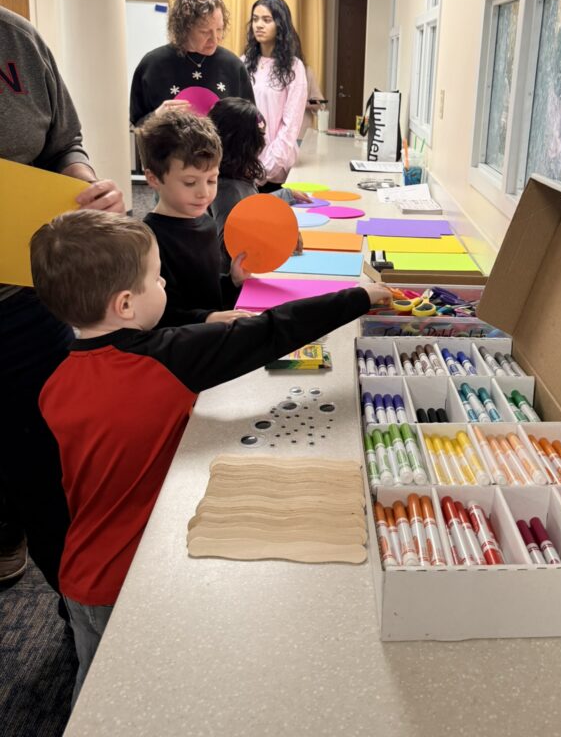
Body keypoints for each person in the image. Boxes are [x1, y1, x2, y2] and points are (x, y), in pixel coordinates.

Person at [30, 210, 390, 701]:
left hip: (79, 573)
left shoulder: (54, 383)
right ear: (126, 303)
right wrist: (361, 296)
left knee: (93, 694)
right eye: (157, 277)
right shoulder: (165, 361)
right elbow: (270, 331)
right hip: (132, 577)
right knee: (142, 695)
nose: (164, 284)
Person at [0, 0, 125, 594]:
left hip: (25, 305)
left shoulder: (20, 42)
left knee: (49, 470)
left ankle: (74, 607)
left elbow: (64, 140)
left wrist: (81, 179)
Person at [136, 108, 251, 327]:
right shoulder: (147, 241)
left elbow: (207, 292)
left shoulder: (207, 223)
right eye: (190, 182)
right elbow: (158, 317)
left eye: (212, 180)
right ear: (154, 178)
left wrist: (232, 282)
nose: (204, 193)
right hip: (185, 343)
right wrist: (206, 319)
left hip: (212, 336)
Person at [208, 97, 310, 271]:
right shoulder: (226, 189)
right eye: (259, 138)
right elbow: (230, 249)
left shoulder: (238, 176)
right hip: (241, 282)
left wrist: (285, 194)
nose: (263, 144)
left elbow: (249, 206)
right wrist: (278, 236)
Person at [129, 0, 254, 127]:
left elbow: (250, 124)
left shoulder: (233, 66)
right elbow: (137, 125)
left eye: (219, 29)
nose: (215, 39)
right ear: (184, 28)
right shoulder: (152, 65)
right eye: (205, 32)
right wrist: (157, 116)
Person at [243, 0, 307, 191]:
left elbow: (290, 125)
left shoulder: (294, 67)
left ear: (280, 24)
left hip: (277, 168)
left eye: (266, 20)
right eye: (255, 19)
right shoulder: (242, 63)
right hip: (244, 165)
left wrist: (265, 168)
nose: (259, 25)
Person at [300, 63, 326, 143]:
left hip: (301, 135)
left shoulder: (306, 71)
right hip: (277, 137)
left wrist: (305, 103)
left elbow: (320, 103)